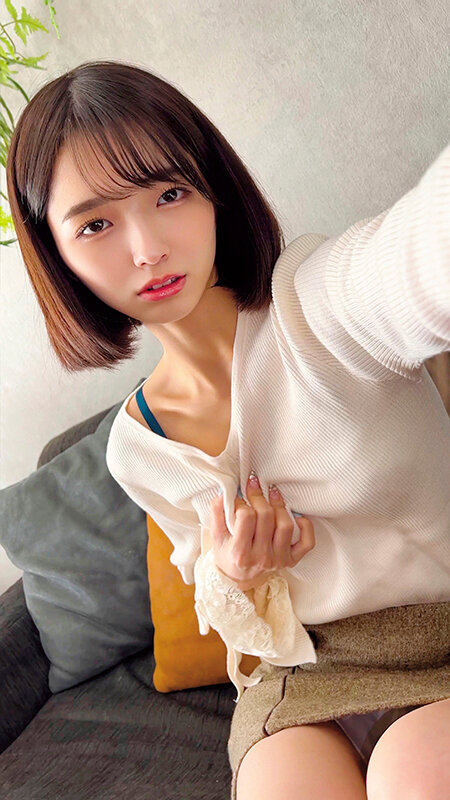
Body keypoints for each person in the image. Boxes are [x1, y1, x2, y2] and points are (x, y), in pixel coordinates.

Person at [6, 60, 449, 800]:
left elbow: (416, 256)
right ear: (57, 252)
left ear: (213, 190)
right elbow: (229, 612)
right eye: (96, 224)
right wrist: (237, 571)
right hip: (299, 680)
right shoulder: (136, 448)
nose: (147, 249)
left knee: (418, 779)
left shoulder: (317, 306)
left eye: (169, 193)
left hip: (437, 639)